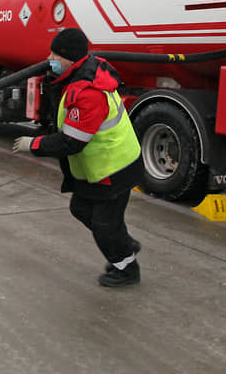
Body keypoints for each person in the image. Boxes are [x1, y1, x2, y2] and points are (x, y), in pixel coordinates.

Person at [11, 28, 144, 288]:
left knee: (105, 225)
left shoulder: (88, 92)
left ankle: (126, 267)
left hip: (114, 169)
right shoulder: (79, 76)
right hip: (100, 168)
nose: (49, 58)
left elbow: (71, 142)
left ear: (70, 60)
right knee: (80, 209)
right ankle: (124, 245)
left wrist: (33, 144)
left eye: (55, 55)